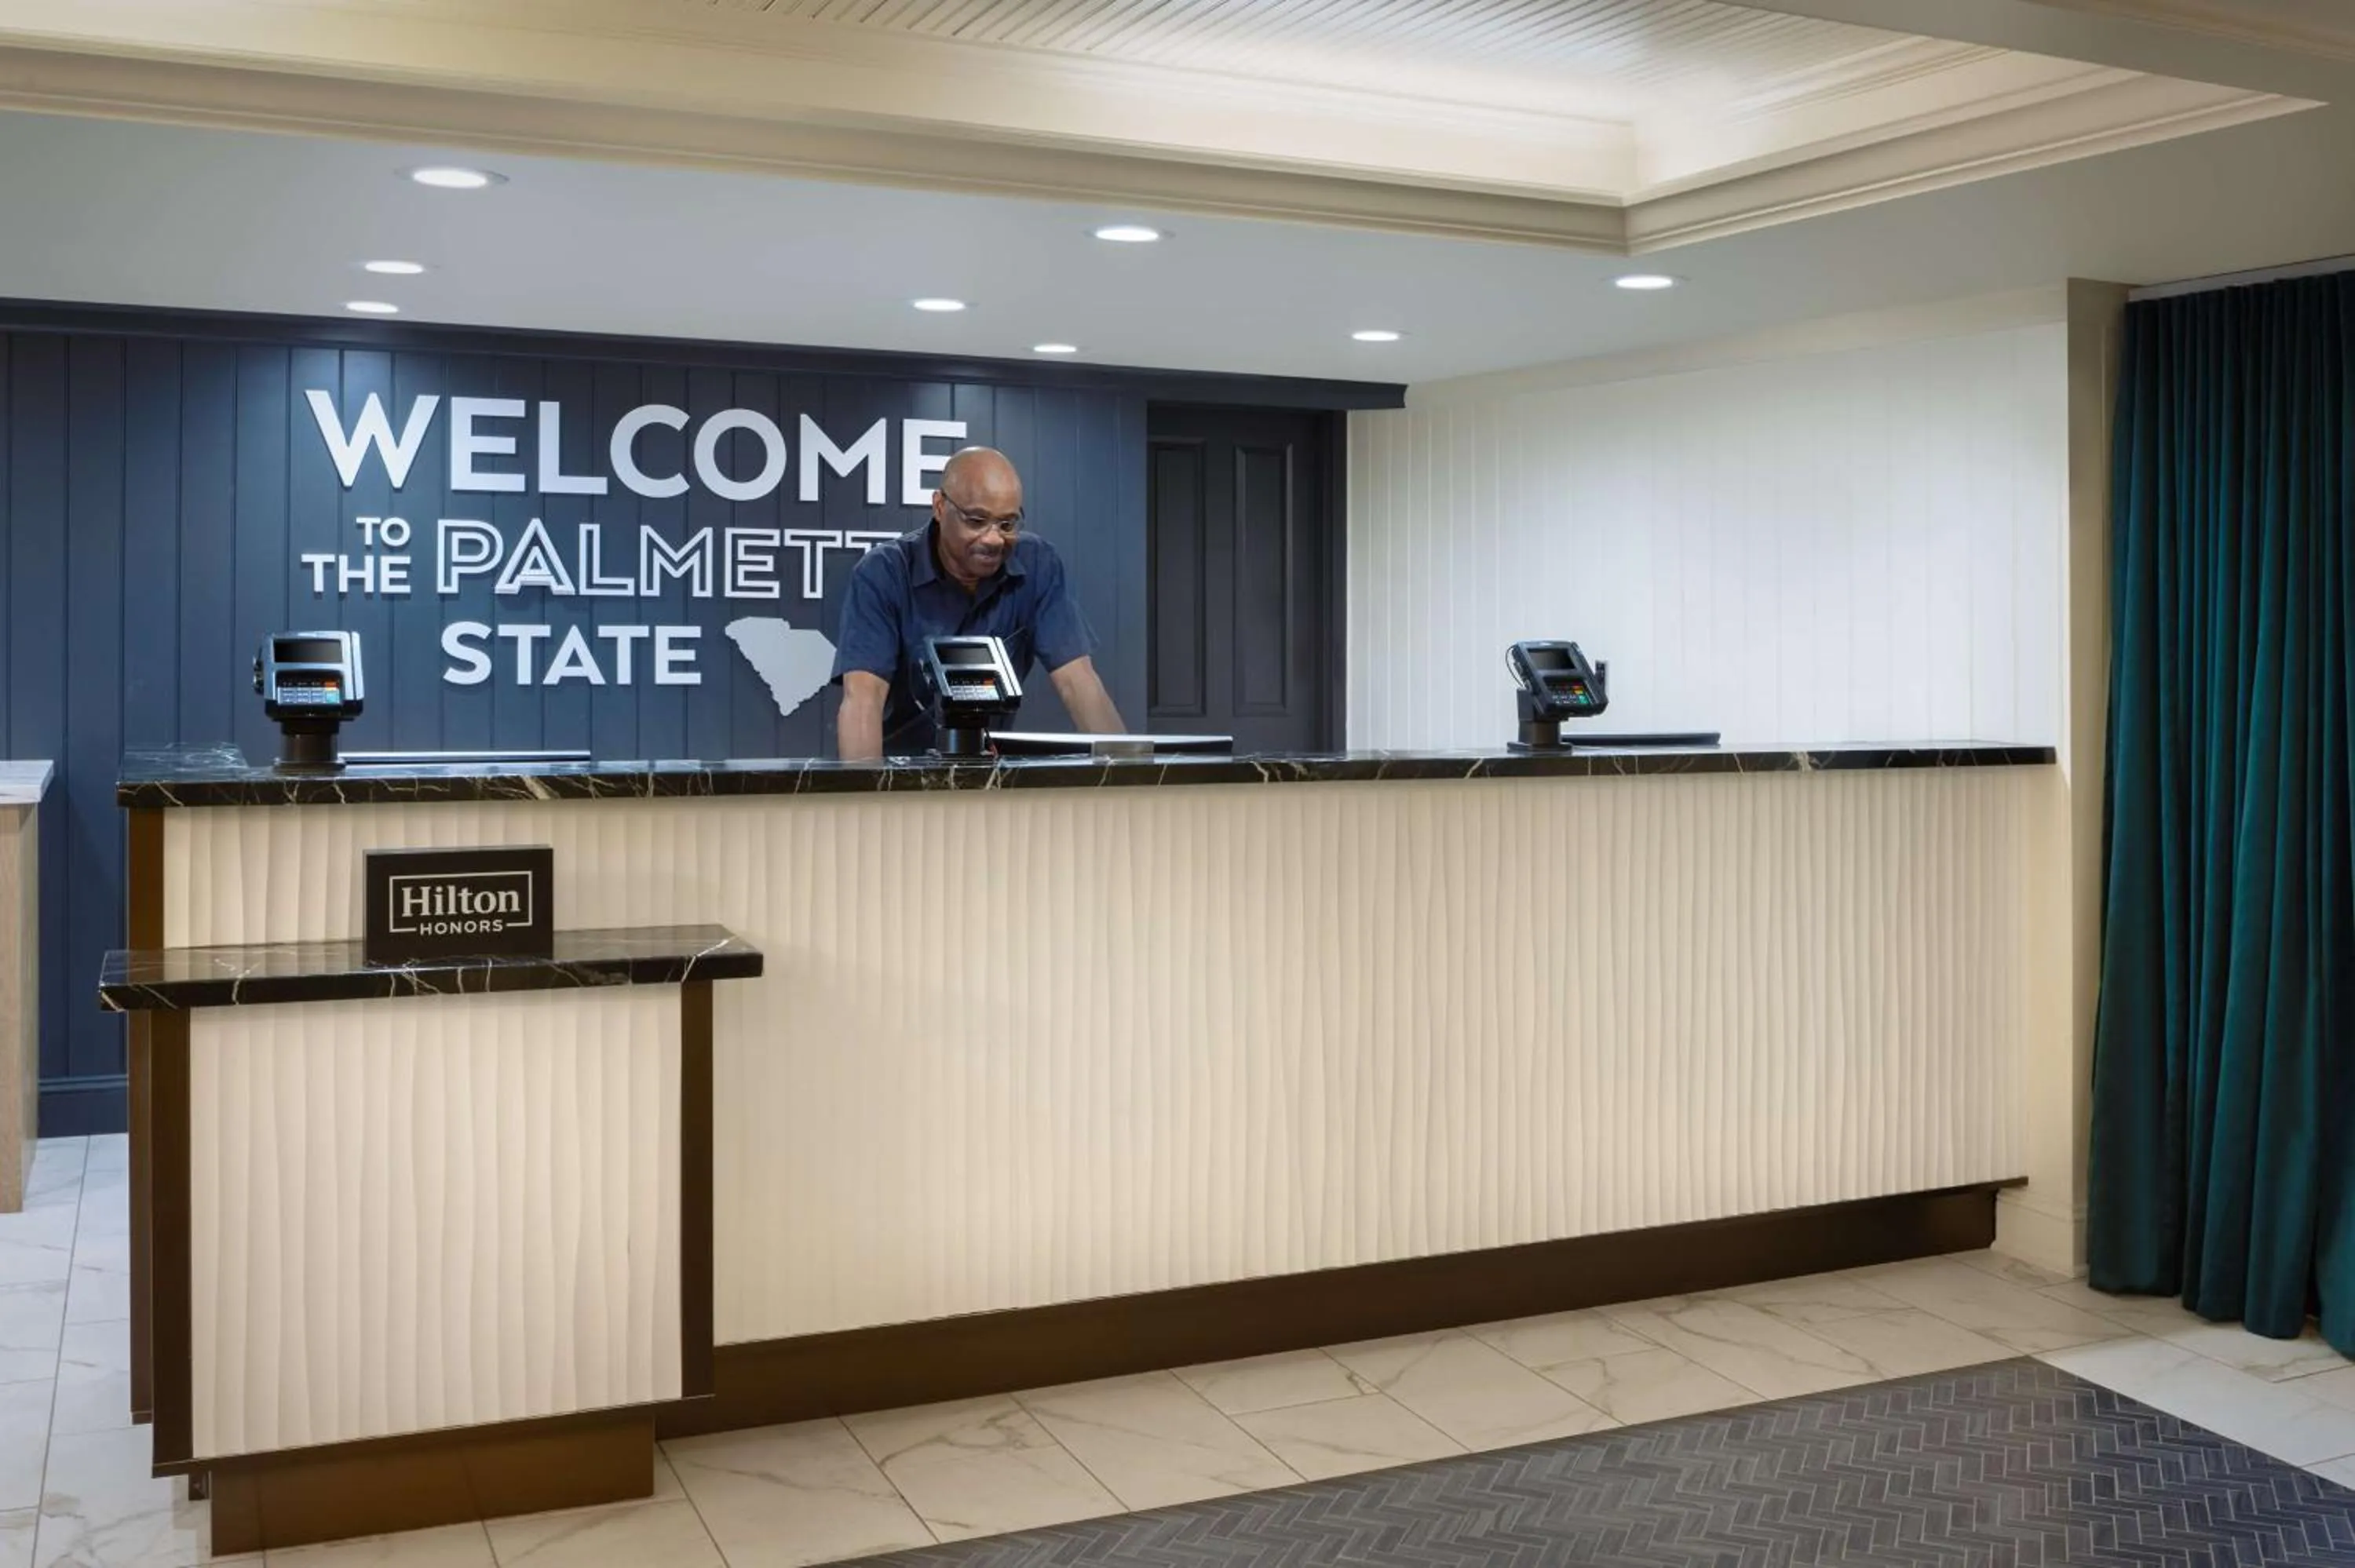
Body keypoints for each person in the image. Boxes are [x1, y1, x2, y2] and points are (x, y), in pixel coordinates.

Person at [831, 446, 1126, 759]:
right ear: (940, 506)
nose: (993, 539)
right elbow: (864, 697)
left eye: (1007, 524)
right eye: (976, 521)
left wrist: (1129, 779)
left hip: (988, 775)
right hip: (901, 777)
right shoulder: (884, 573)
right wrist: (870, 797)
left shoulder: (1038, 564)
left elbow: (1077, 682)